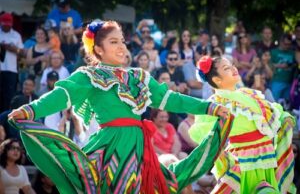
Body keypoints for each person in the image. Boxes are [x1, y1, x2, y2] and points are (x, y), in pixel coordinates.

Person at [8, 20, 230, 194]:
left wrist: (209, 107)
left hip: (140, 149)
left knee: (164, 182)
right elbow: (61, 95)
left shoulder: (138, 76)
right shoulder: (89, 75)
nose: (122, 46)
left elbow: (172, 99)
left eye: (122, 41)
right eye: (114, 42)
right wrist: (31, 110)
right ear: (99, 50)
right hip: (110, 147)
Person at [189, 55, 296, 193]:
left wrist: (284, 117)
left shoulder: (248, 93)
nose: (234, 69)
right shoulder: (215, 104)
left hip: (266, 154)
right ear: (217, 80)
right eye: (227, 68)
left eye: (232, 65)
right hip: (242, 161)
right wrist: (221, 154)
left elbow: (273, 109)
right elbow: (199, 132)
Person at [0, 12, 24, 112]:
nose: (7, 27)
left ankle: (7, 116)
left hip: (11, 70)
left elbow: (22, 52)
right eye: (5, 25)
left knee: (9, 96)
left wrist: (12, 49)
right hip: (0, 69)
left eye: (8, 25)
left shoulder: (16, 35)